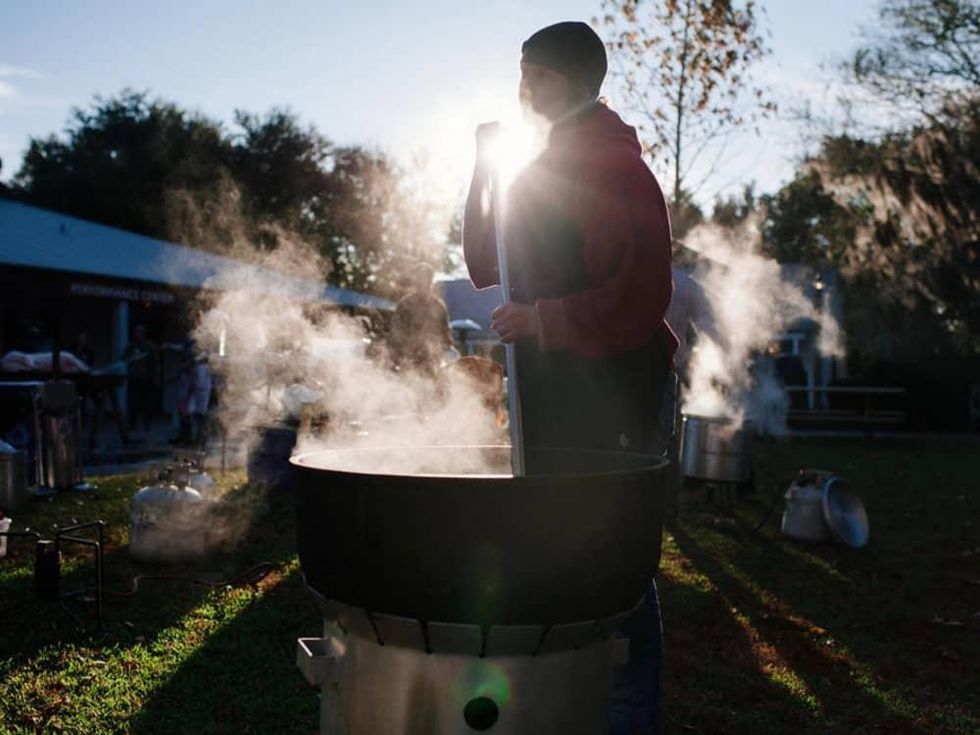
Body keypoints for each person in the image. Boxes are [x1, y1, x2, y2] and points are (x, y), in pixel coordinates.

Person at [462, 21, 676, 734]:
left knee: (613, 551)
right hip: (553, 391)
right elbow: (487, 266)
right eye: (521, 71)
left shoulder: (613, 165)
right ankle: (564, 701)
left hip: (613, 387)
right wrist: (484, 172)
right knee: (560, 538)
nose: (525, 87)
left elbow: (642, 295)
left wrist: (545, 321)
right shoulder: (540, 164)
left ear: (579, 82)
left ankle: (628, 714)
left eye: (540, 75)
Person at [388, 262, 456, 374]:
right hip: (409, 360)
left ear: (431, 281)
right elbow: (396, 332)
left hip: (432, 361)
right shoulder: (405, 304)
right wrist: (399, 355)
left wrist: (443, 348)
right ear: (415, 281)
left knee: (430, 387)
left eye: (426, 279)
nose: (422, 283)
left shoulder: (438, 305)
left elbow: (445, 334)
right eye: (419, 279)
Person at [122, 324, 159, 432]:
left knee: (147, 402)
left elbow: (155, 363)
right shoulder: (131, 346)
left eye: (140, 331)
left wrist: (155, 377)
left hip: (147, 378)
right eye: (136, 331)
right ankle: (132, 423)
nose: (138, 333)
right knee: (133, 402)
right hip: (134, 378)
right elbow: (123, 360)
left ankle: (147, 423)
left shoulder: (150, 346)